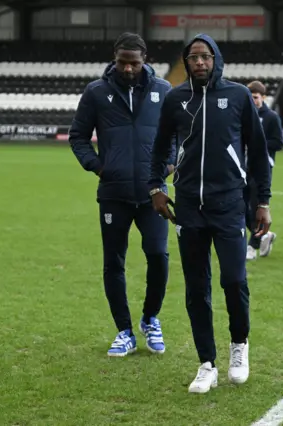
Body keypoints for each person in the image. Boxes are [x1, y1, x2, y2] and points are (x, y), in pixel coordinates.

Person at [148, 33, 272, 393]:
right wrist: (156, 188)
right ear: (186, 62)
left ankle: (239, 346)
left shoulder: (237, 96)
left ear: (216, 59)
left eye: (206, 56)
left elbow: (259, 152)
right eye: (193, 58)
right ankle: (206, 363)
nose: (200, 63)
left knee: (234, 280)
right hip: (188, 208)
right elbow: (159, 149)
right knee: (196, 288)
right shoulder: (175, 99)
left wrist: (261, 202)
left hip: (230, 204)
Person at [68, 32, 175, 357]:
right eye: (122, 62)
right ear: (114, 59)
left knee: (158, 256)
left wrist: (168, 166)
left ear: (145, 60)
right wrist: (100, 168)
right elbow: (78, 136)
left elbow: (177, 135)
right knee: (113, 262)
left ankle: (150, 318)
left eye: (134, 63)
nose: (128, 69)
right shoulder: (97, 92)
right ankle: (124, 330)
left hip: (153, 193)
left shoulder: (163, 90)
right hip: (113, 193)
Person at [244, 80, 283, 260]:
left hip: (262, 167)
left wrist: (259, 146)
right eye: (250, 98)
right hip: (243, 166)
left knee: (255, 205)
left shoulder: (271, 117)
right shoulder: (242, 115)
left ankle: (252, 246)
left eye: (256, 98)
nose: (254, 101)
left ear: (264, 98)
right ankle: (264, 235)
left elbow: (278, 142)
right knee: (242, 207)